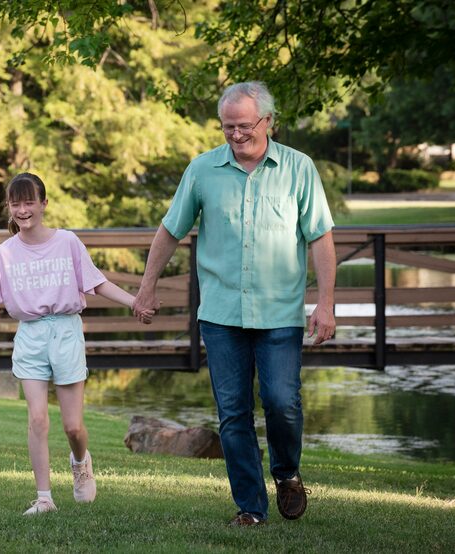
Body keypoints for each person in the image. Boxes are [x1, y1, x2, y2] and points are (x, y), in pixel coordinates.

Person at [133, 82, 336, 526]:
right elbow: (170, 230)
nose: (236, 135)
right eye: (228, 127)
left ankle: (285, 473)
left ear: (268, 122)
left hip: (279, 312)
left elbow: (319, 236)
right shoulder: (203, 171)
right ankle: (250, 507)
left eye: (244, 126)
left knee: (282, 403)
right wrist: (147, 286)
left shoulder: (299, 169)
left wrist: (325, 302)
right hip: (222, 314)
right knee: (233, 414)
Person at [0, 172, 153, 515]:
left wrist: (134, 303)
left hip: (67, 333)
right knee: (37, 419)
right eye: (16, 203)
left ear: (43, 204)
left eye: (29, 202)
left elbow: (97, 283)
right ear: (9, 208)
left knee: (73, 426)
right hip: (30, 336)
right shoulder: (4, 254)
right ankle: (44, 498)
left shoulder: (67, 242)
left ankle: (81, 461)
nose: (23, 210)